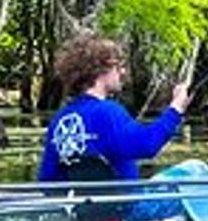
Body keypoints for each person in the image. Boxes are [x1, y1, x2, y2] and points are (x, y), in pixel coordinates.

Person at [40, 35, 190, 182]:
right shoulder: (108, 112)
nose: (122, 72)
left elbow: (47, 179)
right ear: (101, 70)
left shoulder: (59, 120)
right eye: (118, 66)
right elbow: (147, 144)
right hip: (123, 206)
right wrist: (176, 108)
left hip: (77, 206)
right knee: (194, 169)